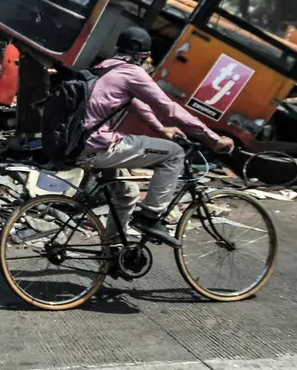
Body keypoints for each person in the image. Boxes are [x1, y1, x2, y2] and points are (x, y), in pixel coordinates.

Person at [76, 26, 235, 248]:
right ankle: (150, 217)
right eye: (147, 55)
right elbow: (169, 108)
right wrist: (212, 138)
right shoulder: (132, 72)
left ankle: (112, 253)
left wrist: (160, 129)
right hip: (99, 148)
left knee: (126, 195)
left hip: (78, 145)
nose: (149, 59)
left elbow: (134, 104)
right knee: (174, 154)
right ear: (141, 53)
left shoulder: (104, 67)